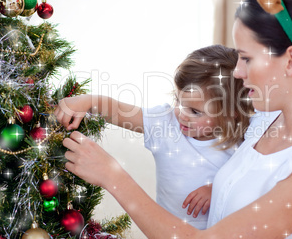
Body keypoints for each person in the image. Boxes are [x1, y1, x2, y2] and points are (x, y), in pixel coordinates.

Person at [59, 0, 292, 238]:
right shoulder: (265, 121)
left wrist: (112, 176)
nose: (237, 72)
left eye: (246, 58)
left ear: (291, 60)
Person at [55, 45, 253, 230]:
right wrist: (87, 101)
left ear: (231, 113)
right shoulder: (166, 124)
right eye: (179, 101)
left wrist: (215, 189)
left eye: (195, 111)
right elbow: (121, 111)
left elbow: (250, 182)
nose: (182, 114)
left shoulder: (243, 141)